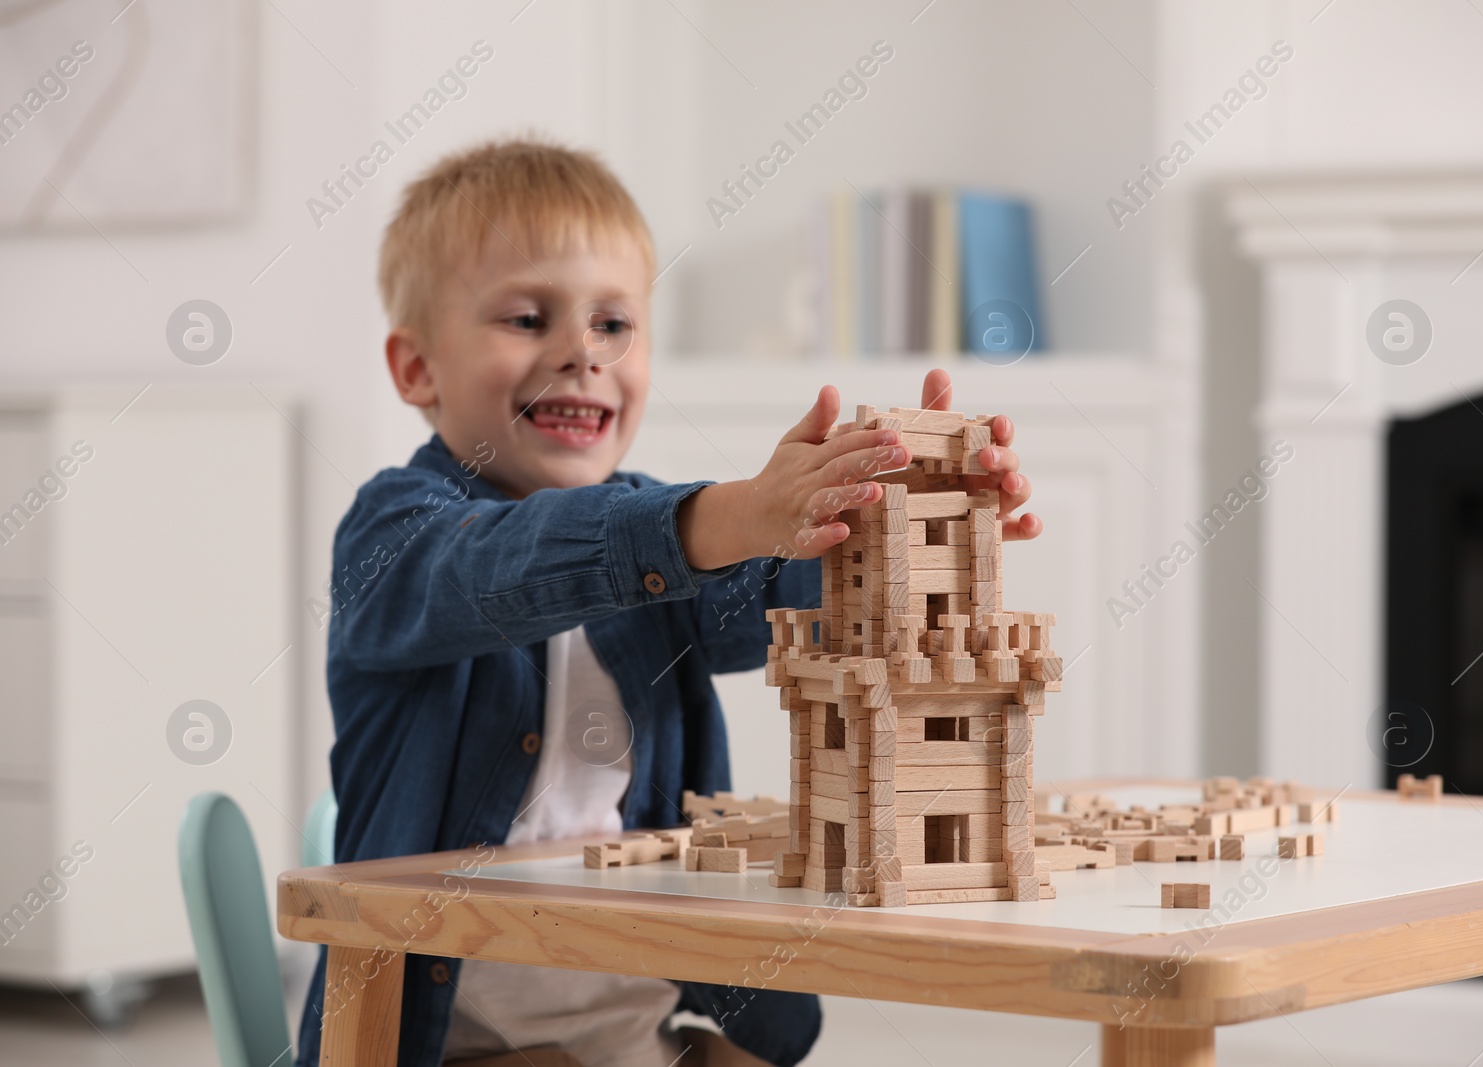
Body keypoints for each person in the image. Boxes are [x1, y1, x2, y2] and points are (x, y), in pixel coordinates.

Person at [293, 137, 1040, 1067]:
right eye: (529, 318)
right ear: (416, 369)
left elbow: (780, 589)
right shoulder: (395, 532)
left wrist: (907, 528)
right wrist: (728, 516)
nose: (580, 351)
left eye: (614, 325)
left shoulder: (675, 546)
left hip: (642, 1024)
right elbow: (491, 569)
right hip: (452, 1041)